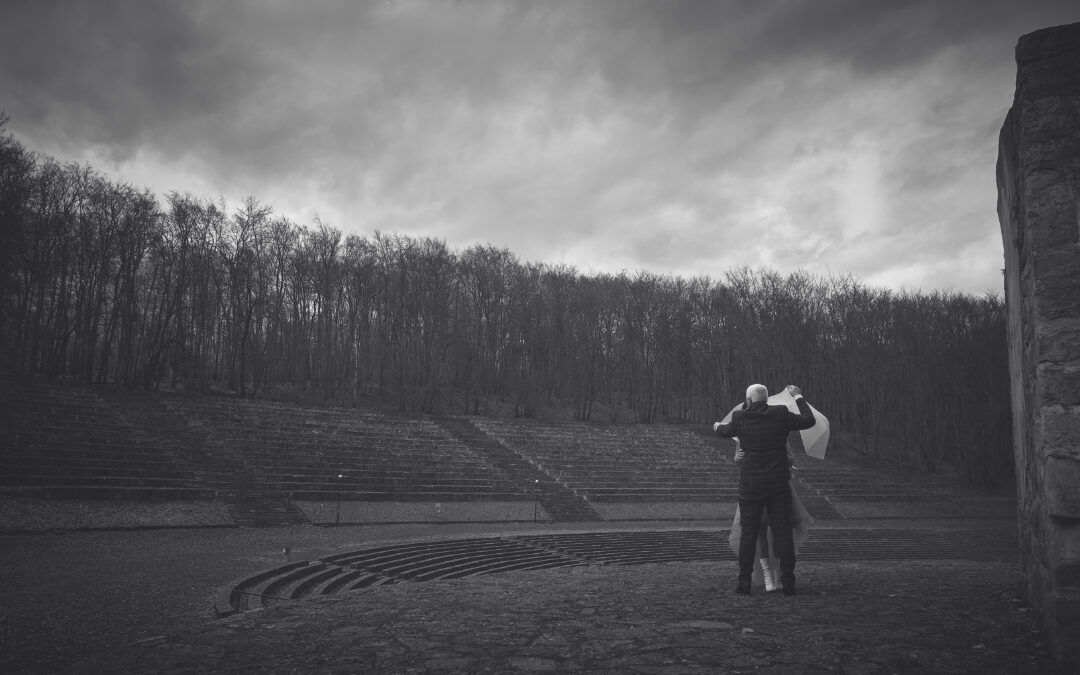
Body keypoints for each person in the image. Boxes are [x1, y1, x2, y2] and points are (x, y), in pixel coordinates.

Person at [713, 383, 815, 596]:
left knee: (749, 534)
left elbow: (724, 431)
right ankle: (788, 583)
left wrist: (715, 426)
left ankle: (744, 583)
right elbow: (809, 420)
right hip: (778, 484)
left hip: (751, 485)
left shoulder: (740, 417)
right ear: (767, 400)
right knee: (783, 533)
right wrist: (798, 396)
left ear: (749, 400)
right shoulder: (780, 414)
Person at [727, 439, 815, 592]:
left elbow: (790, 459)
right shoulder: (743, 435)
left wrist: (779, 457)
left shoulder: (781, 433)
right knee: (760, 532)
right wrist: (738, 458)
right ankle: (768, 576)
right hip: (754, 485)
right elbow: (737, 459)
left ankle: (778, 574)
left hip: (777, 485)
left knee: (779, 531)